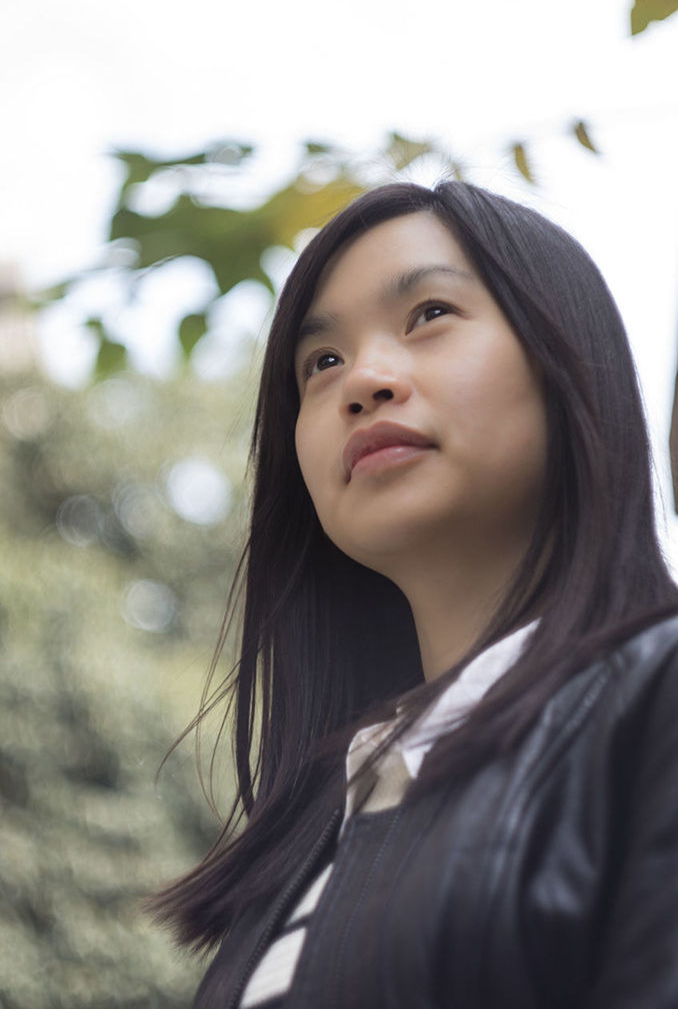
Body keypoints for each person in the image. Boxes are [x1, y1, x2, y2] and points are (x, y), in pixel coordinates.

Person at [152, 181, 678, 1008]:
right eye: (320, 364)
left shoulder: (656, 702)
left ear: (565, 352)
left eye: (429, 313)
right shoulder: (318, 834)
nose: (363, 379)